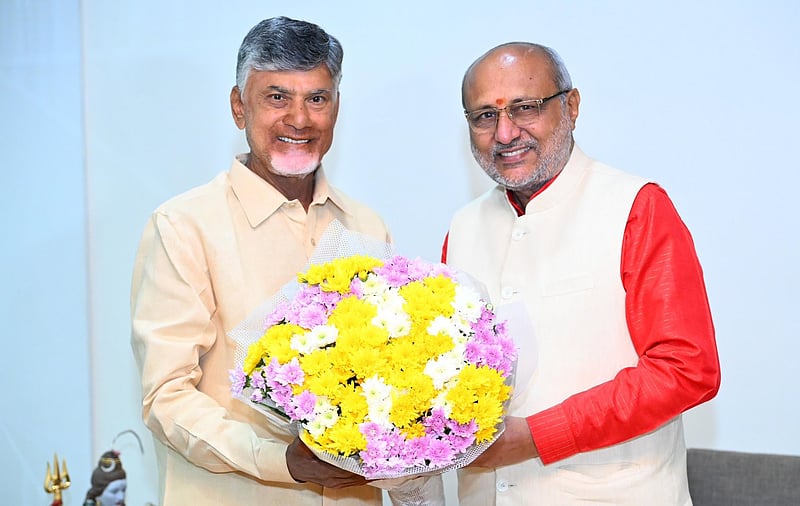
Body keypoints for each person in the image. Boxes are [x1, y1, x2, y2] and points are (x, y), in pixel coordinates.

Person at [131, 17, 429, 505]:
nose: (299, 118)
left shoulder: (366, 226)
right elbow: (166, 398)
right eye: (276, 97)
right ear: (238, 107)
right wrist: (281, 461)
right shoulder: (184, 226)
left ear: (336, 107)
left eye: (317, 98)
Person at [441, 42, 721, 505]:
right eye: (484, 117)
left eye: (525, 108)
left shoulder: (636, 207)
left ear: (571, 107)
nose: (505, 133)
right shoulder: (462, 226)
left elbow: (687, 369)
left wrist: (536, 436)